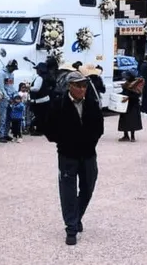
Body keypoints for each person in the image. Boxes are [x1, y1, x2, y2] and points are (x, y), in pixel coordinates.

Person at [44, 71, 104, 246]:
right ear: (70, 86)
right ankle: (71, 227)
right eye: (78, 85)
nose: (81, 89)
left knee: (88, 187)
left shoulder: (92, 103)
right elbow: (49, 128)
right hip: (67, 154)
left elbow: (99, 127)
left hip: (88, 153)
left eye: (84, 85)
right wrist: (63, 140)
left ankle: (76, 216)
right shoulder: (58, 104)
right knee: (68, 190)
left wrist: (91, 140)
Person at [118, 72, 144, 142]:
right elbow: (124, 92)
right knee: (124, 121)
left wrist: (128, 98)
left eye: (126, 77)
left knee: (132, 121)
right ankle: (126, 135)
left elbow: (137, 95)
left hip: (133, 105)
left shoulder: (136, 84)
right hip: (125, 105)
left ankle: (132, 136)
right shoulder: (126, 84)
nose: (125, 78)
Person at [0, 59, 18, 142]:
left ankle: (6, 133)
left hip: (11, 97)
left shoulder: (11, 74)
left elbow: (11, 86)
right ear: (9, 66)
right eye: (13, 68)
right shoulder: (1, 74)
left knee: (9, 117)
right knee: (3, 117)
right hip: (3, 98)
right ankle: (1, 135)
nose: (13, 70)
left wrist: (15, 95)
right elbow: (0, 88)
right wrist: (7, 98)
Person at [29, 63, 51, 136]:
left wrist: (29, 88)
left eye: (37, 69)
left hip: (39, 100)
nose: (36, 70)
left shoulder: (39, 78)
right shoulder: (48, 77)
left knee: (39, 116)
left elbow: (36, 88)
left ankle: (39, 130)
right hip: (46, 99)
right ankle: (43, 130)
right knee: (44, 116)